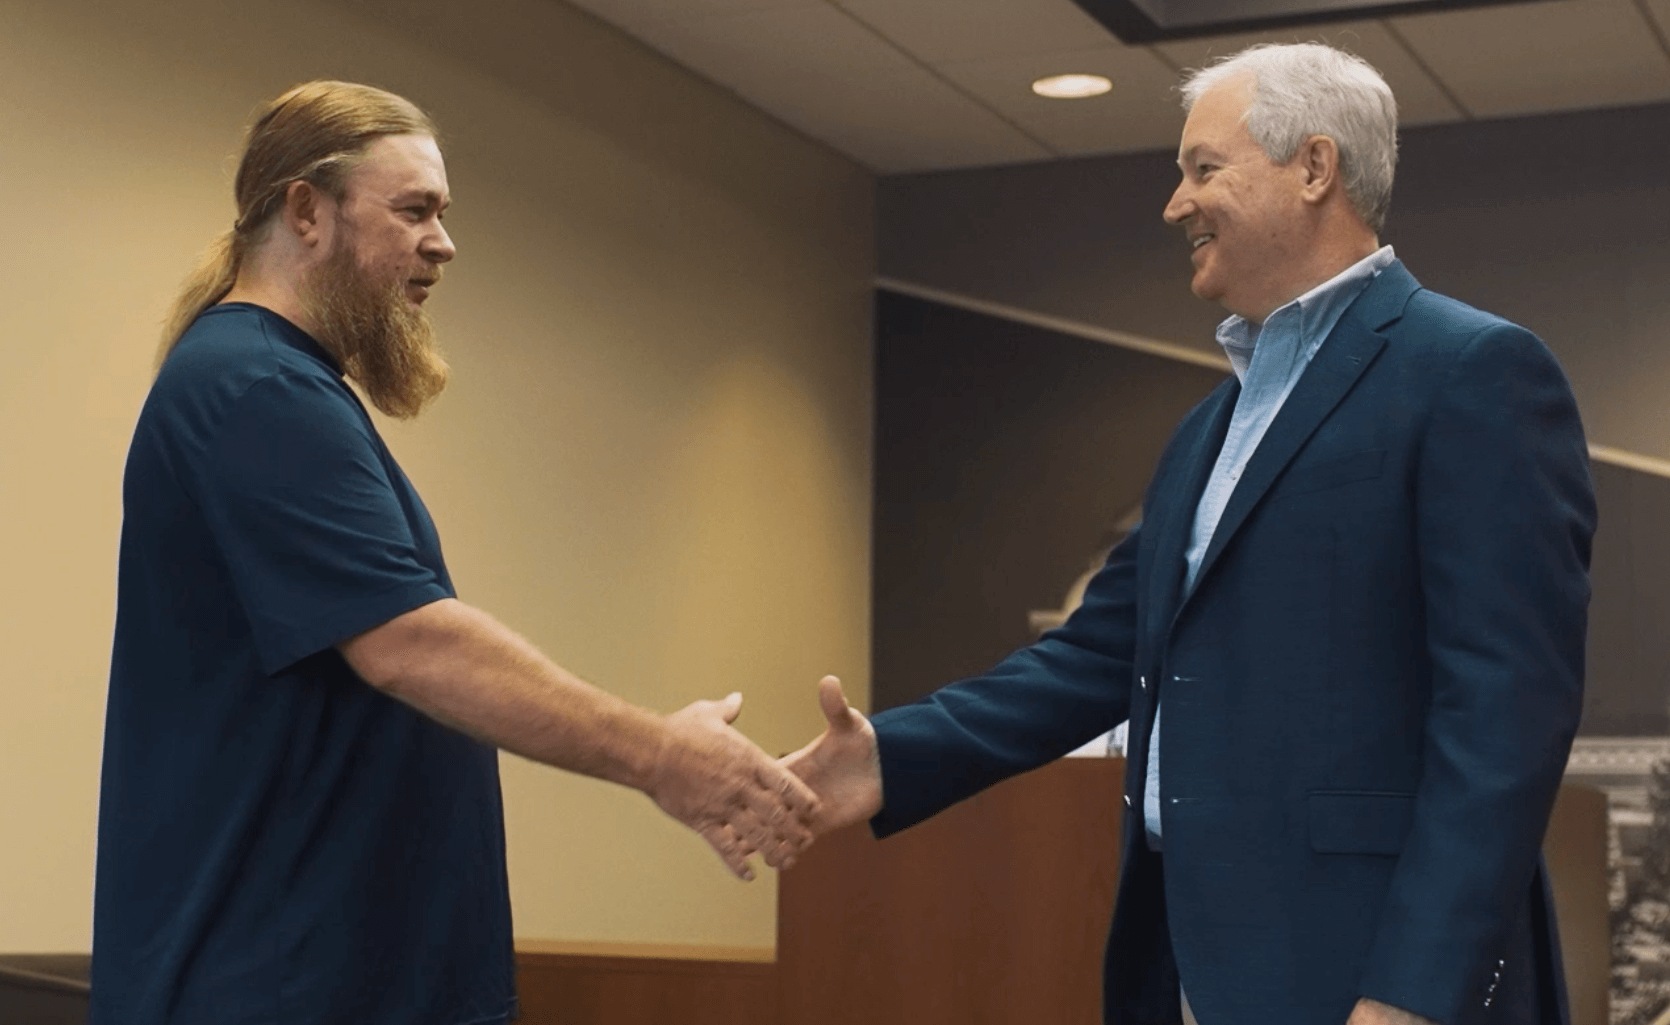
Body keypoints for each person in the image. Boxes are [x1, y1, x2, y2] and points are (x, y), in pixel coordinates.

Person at [784, 43, 1594, 1025]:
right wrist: (887, 756)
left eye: (1201, 168)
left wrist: (1410, 993)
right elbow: (1093, 653)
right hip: (1189, 966)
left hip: (1372, 979)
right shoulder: (1207, 429)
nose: (1174, 204)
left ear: (1312, 168)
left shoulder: (1473, 371)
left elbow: (1501, 719)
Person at [91, 80, 816, 1025]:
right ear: (305, 210)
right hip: (279, 984)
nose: (443, 241)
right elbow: (410, 643)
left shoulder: (275, 382)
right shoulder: (252, 385)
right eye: (415, 210)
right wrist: (660, 756)